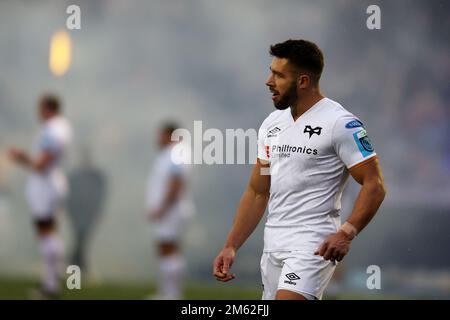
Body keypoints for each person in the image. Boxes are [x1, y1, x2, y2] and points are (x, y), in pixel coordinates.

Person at [213, 39, 386, 300]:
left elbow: (375, 184)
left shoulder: (340, 123)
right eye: (271, 71)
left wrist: (346, 233)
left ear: (303, 81)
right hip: (273, 246)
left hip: (312, 245)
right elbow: (258, 191)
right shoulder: (272, 124)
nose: (268, 81)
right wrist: (231, 246)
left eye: (278, 75)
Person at [9, 94, 72, 299]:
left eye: (40, 108)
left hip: (46, 185)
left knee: (45, 232)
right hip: (52, 182)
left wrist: (21, 157)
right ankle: (55, 274)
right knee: (50, 231)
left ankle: (51, 285)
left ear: (47, 108)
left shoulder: (52, 130)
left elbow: (41, 164)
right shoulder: (61, 127)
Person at [146, 122, 194, 300]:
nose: (157, 139)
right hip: (170, 209)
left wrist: (162, 208)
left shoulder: (176, 153)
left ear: (169, 135)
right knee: (166, 248)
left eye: (160, 135)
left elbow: (176, 182)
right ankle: (167, 292)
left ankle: (172, 294)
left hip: (172, 209)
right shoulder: (171, 153)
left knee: (169, 248)